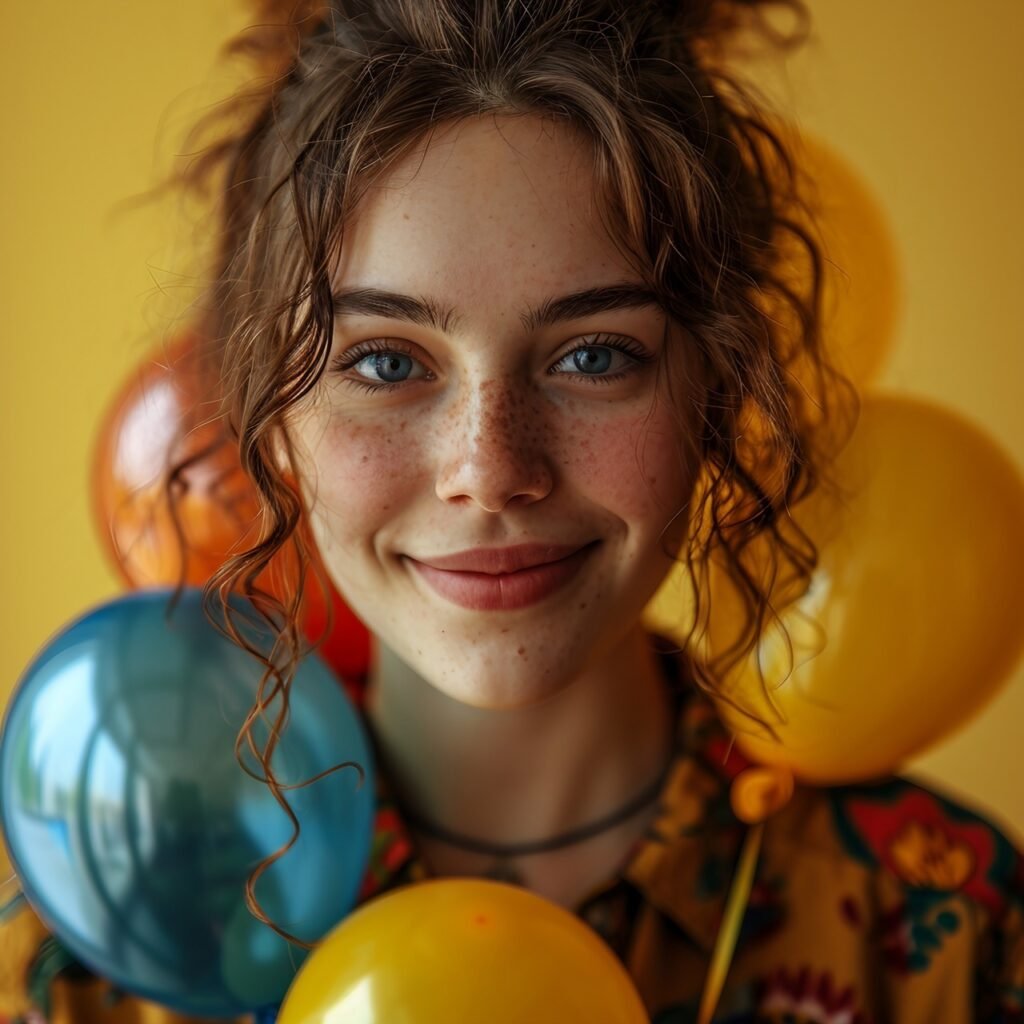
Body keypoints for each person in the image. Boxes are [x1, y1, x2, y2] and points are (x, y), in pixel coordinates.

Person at [3, 1, 1022, 1021]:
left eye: (593, 355)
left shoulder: (952, 931)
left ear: (717, 391)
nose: (489, 469)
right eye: (386, 361)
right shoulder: (85, 975)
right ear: (269, 419)